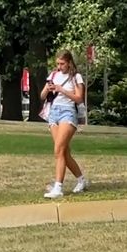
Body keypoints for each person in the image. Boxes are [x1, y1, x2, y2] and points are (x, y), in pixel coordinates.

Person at [42, 50, 87, 199]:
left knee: (58, 149)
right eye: (57, 64)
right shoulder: (53, 75)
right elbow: (42, 96)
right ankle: (81, 180)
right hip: (54, 112)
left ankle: (58, 188)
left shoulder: (76, 77)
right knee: (63, 153)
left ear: (69, 63)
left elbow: (79, 98)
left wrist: (61, 89)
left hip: (68, 112)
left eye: (62, 64)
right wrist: (48, 89)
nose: (59, 66)